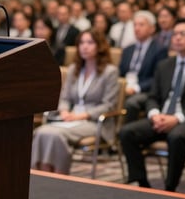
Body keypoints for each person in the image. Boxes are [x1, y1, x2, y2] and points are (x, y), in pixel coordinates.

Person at [119, 18, 185, 192]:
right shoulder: (164, 65)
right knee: (127, 132)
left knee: (176, 136)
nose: (177, 38)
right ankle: (141, 183)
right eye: (175, 34)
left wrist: (176, 118)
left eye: (183, 34)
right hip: (162, 117)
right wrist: (154, 114)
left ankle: (169, 188)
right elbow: (153, 97)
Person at [31, 30, 120, 174]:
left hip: (94, 122)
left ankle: (58, 175)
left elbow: (108, 105)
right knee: (42, 132)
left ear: (100, 46)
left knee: (53, 134)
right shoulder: (74, 69)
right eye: (82, 43)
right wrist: (64, 111)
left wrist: (82, 116)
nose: (85, 47)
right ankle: (41, 173)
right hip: (70, 118)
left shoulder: (110, 72)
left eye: (90, 43)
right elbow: (64, 98)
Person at [119, 11, 168, 123]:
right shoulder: (128, 49)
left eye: (141, 25)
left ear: (152, 29)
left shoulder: (159, 50)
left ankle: (127, 132)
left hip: (145, 89)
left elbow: (158, 77)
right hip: (125, 86)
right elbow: (120, 73)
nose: (137, 28)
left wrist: (136, 88)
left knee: (131, 102)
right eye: (135, 25)